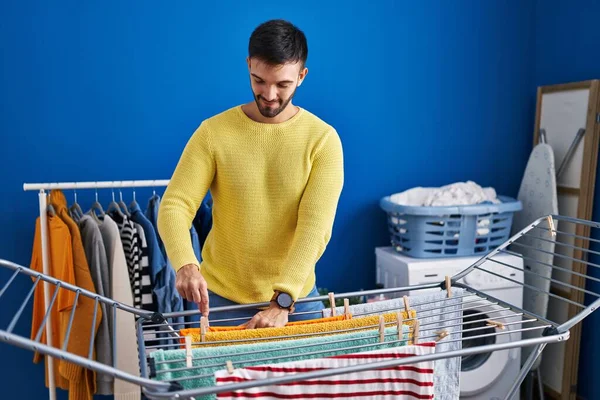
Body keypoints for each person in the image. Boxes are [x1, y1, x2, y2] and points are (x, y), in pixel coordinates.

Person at [157, 19, 344, 329]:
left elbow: (315, 228)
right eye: (259, 80)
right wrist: (186, 265)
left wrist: (283, 300)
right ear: (248, 65)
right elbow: (175, 205)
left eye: (282, 84)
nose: (269, 94)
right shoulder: (213, 133)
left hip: (295, 302)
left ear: (301, 76)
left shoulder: (322, 140)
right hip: (219, 302)